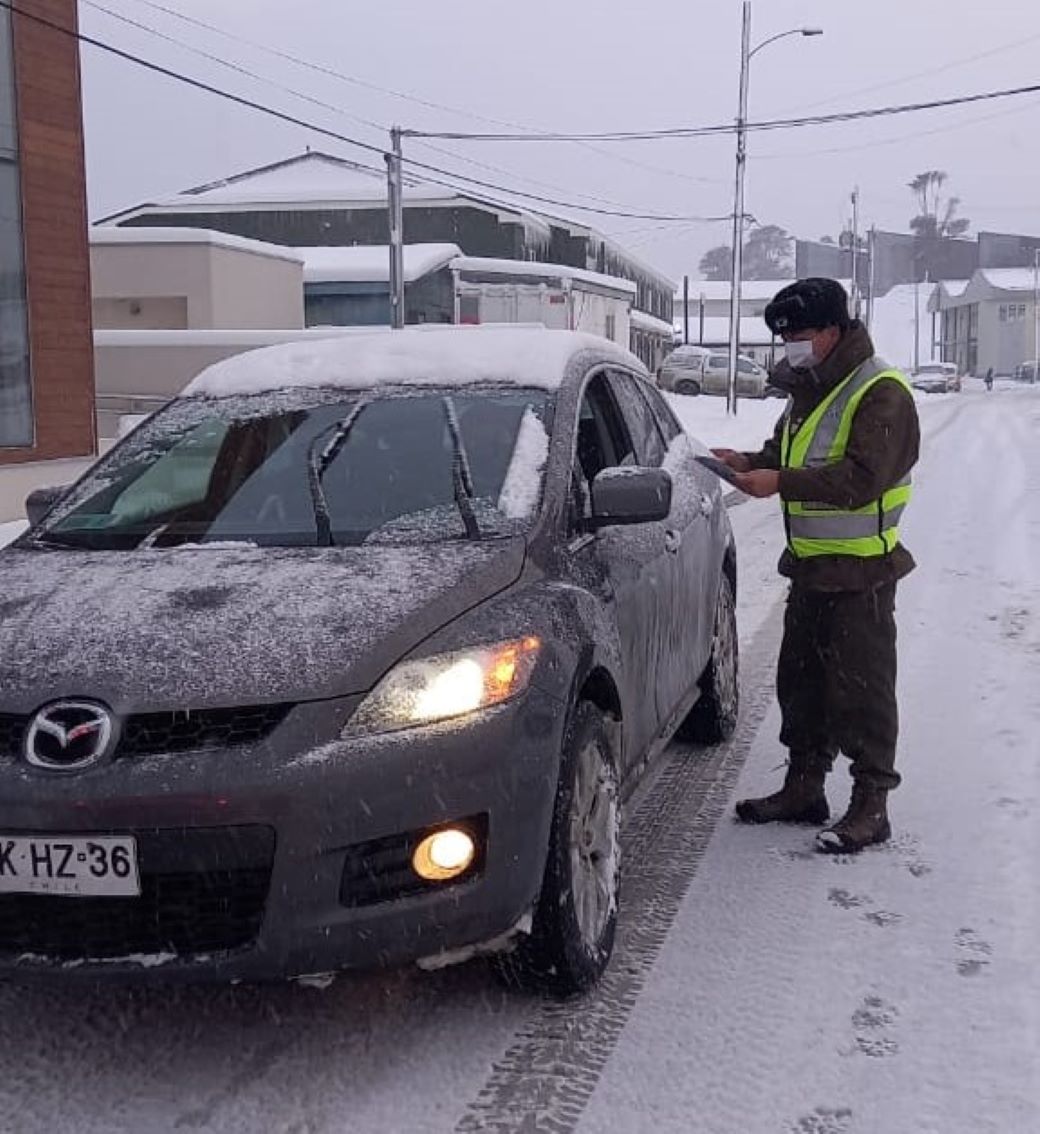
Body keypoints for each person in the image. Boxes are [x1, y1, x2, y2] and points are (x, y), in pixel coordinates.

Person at [712, 278, 920, 854]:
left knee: (863, 692)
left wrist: (778, 482)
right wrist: (750, 461)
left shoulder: (881, 391)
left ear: (833, 330)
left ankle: (871, 805)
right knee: (802, 685)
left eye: (799, 337)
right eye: (785, 339)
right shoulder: (812, 388)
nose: (790, 348)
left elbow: (860, 478)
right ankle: (805, 787)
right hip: (810, 570)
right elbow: (788, 454)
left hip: (863, 575)